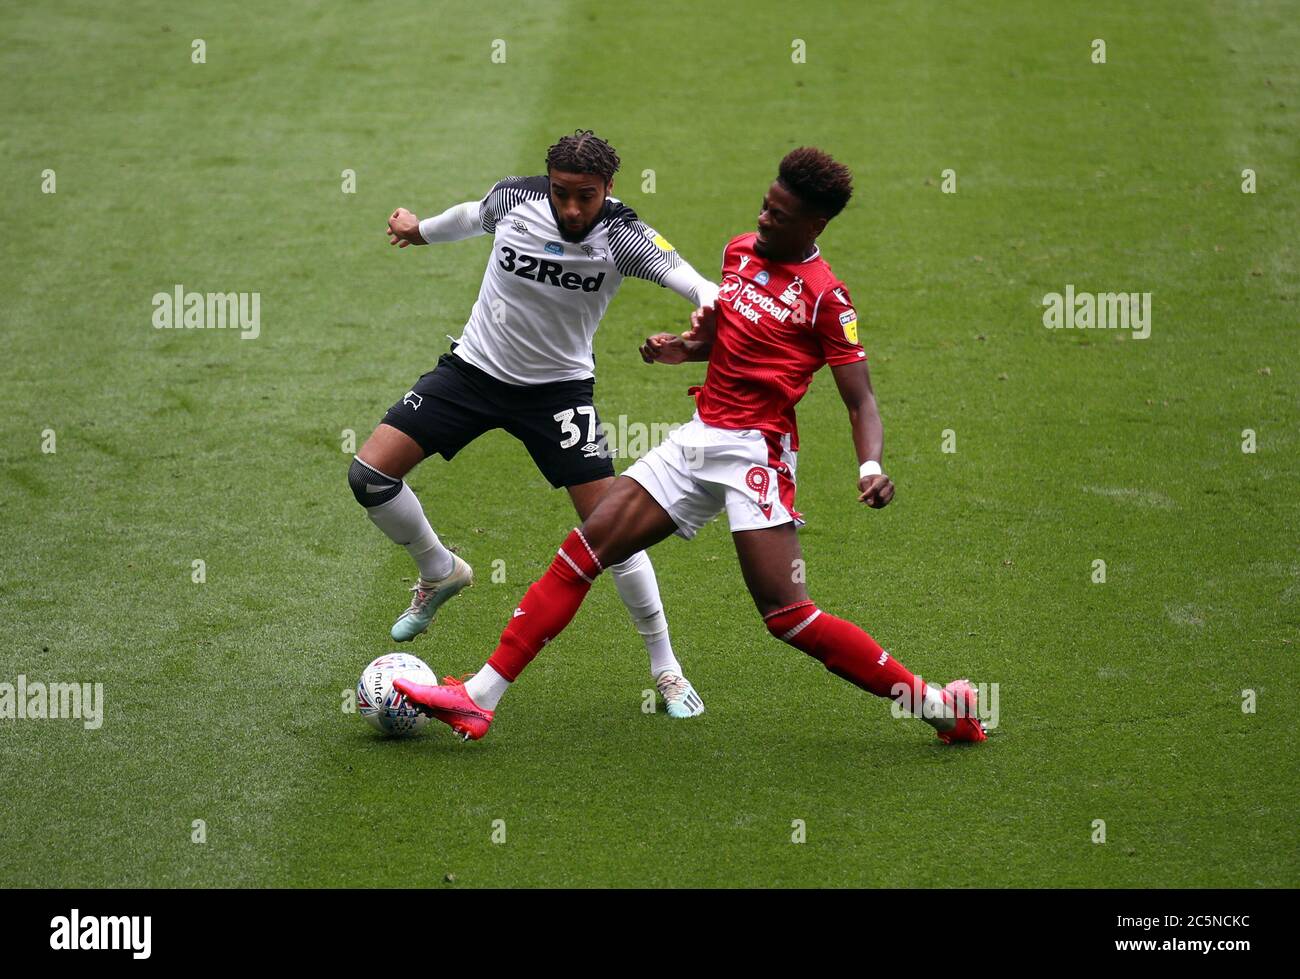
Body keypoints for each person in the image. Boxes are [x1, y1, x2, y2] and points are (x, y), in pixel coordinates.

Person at [396, 146, 987, 746]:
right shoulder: (739, 253)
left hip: (756, 454)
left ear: (815, 224)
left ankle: (938, 707)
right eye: (764, 205)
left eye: (779, 216)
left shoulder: (827, 298)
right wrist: (683, 349)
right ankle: (477, 698)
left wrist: (870, 465)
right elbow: (734, 340)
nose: (763, 220)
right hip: (699, 438)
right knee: (584, 550)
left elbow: (860, 399)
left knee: (788, 618)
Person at [349, 131, 716, 718]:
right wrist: (419, 230)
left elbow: (692, 279)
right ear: (549, 182)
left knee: (612, 532)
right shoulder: (514, 201)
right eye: (563, 193)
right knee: (370, 477)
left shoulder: (622, 236)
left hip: (558, 394)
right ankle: (439, 570)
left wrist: (706, 306)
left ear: (609, 191)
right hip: (471, 374)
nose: (573, 209)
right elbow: (471, 217)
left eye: (587, 197)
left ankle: (666, 669)